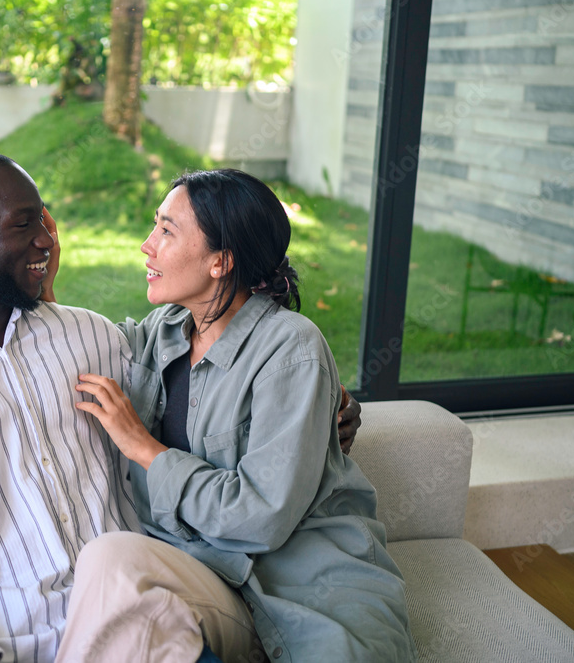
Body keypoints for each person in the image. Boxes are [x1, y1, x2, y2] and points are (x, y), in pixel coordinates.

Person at [0, 148, 364, 663]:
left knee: (116, 567)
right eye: (25, 226)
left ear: (221, 259)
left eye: (44, 223)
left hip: (160, 611)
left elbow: (238, 400)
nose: (48, 240)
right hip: (3, 640)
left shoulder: (98, 340)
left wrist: (320, 410)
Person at [58, 169, 416, 662]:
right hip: (209, 578)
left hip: (304, 591)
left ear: (220, 262)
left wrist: (145, 448)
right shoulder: (163, 330)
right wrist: (43, 278)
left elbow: (262, 518)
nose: (147, 245)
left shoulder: (292, 349)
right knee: (109, 560)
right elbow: (72, 345)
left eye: (166, 230)